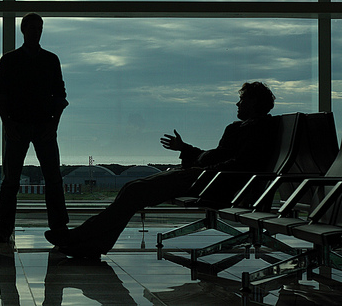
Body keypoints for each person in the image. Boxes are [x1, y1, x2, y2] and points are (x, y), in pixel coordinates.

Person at [44, 81, 277, 258]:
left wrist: (203, 171)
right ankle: (90, 242)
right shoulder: (240, 128)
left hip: (213, 182)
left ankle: (81, 238)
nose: (238, 103)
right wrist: (184, 148)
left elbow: (243, 165)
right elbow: (220, 157)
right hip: (206, 177)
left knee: (134, 191)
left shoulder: (259, 129)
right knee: (132, 188)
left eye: (242, 99)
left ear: (255, 103)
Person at [0, 12, 70, 242]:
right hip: (29, 125)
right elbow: (60, 97)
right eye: (34, 28)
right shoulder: (45, 60)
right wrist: (9, 123)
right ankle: (57, 227)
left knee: (16, 181)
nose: (37, 32)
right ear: (24, 30)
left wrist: (9, 124)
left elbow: (0, 96)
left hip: (30, 125)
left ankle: (4, 228)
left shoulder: (14, 60)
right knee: (45, 178)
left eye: (39, 28)